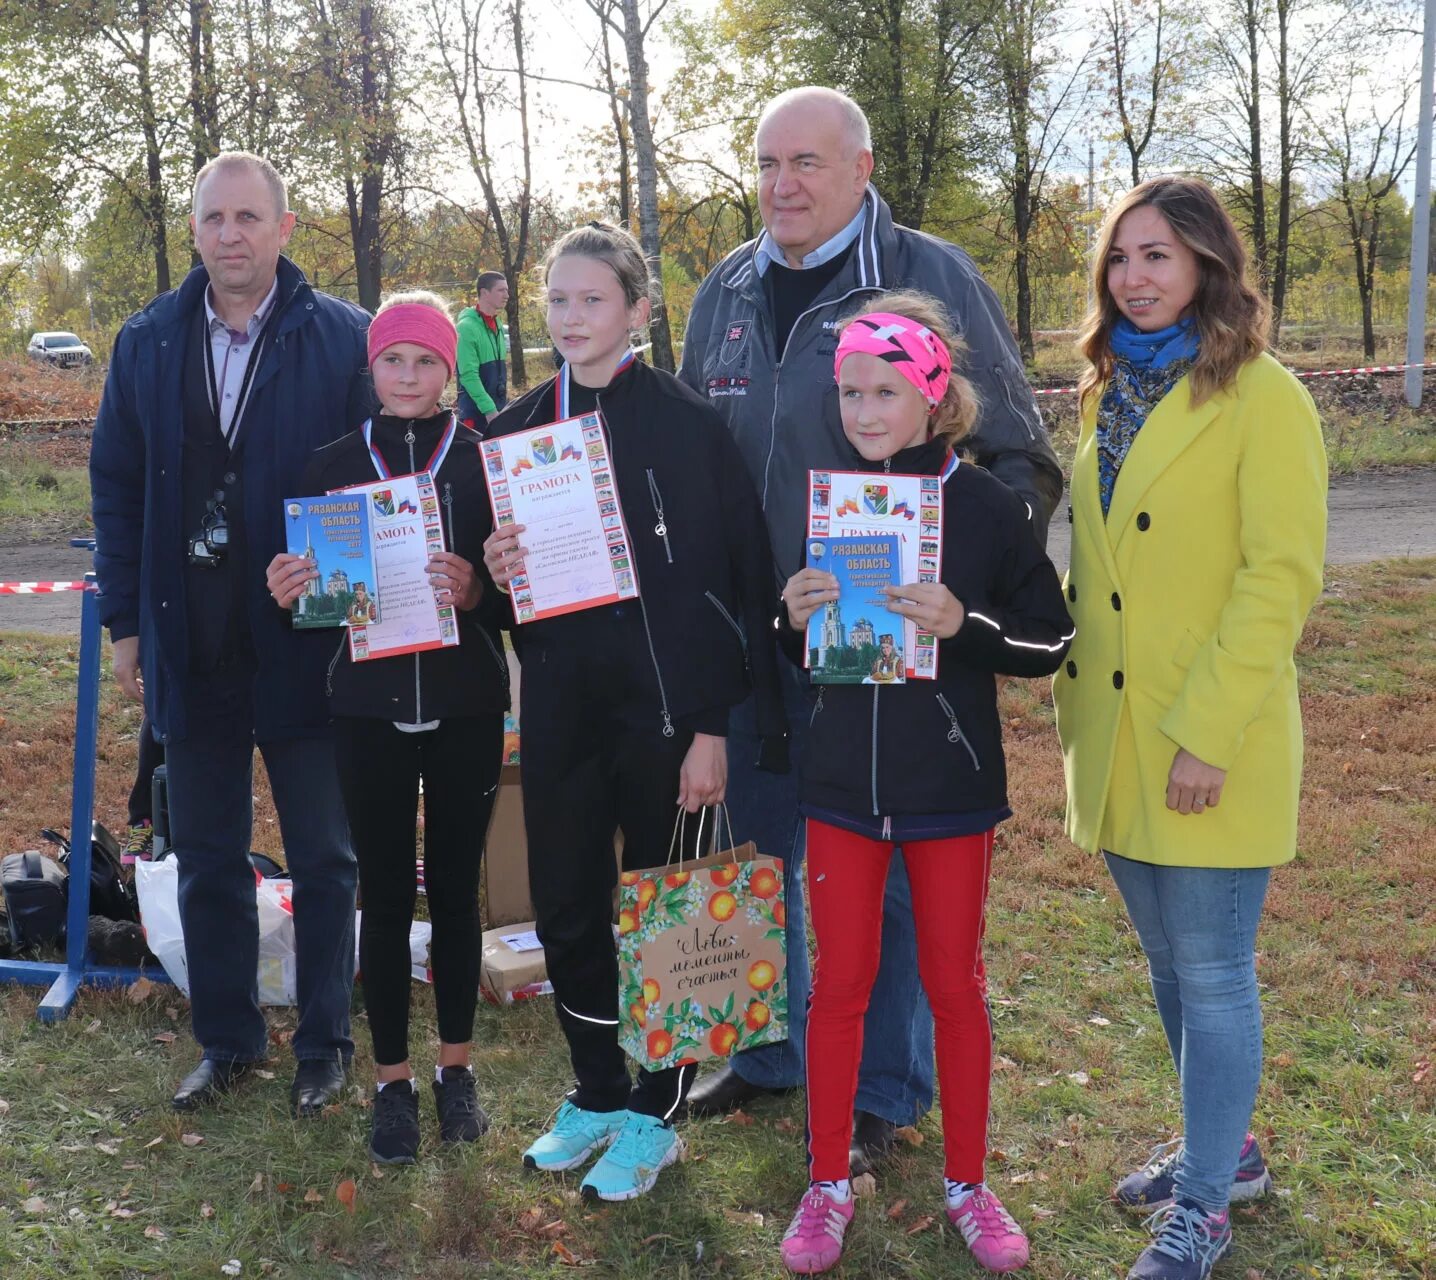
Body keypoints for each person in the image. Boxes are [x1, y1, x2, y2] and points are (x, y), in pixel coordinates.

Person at [677, 85, 1064, 1172]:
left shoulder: (929, 276)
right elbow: (699, 457)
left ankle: (883, 1091)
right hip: (762, 639)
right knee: (758, 855)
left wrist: (950, 591)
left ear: (860, 164)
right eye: (765, 162)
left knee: (888, 870)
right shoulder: (723, 289)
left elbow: (1018, 455)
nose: (781, 183)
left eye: (805, 161)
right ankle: (765, 1059)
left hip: (891, 649)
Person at [1053, 176, 1327, 1280]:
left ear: (1207, 266)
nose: (1134, 277)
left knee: (1213, 974)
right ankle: (1230, 1151)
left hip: (1207, 734)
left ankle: (1203, 1205)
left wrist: (1207, 732)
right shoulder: (1102, 388)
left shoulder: (1264, 396)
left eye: (1157, 256)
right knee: (1169, 971)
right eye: (1120, 257)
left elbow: (1279, 579)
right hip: (1115, 734)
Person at [481, 222, 786, 1202]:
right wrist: (492, 575)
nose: (572, 318)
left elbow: (736, 584)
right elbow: (493, 601)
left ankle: (658, 1114)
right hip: (563, 709)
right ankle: (598, 1090)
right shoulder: (515, 431)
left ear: (638, 310)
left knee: (663, 915)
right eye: (558, 301)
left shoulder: (688, 426)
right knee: (568, 906)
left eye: (593, 300)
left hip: (665, 717)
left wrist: (710, 727)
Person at [776, 293, 1072, 1275]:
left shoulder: (986, 504)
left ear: (932, 395)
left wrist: (964, 624)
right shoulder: (829, 500)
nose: (862, 411)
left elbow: (1052, 639)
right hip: (842, 790)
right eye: (849, 392)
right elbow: (804, 640)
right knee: (840, 986)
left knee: (953, 984)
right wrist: (793, 613)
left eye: (883, 391)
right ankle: (824, 1181)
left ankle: (967, 1182)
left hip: (948, 786)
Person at [90, 151, 374, 1115]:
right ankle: (228, 1040)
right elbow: (118, 488)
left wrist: (345, 593)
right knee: (206, 856)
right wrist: (126, 624)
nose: (232, 236)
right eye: (215, 219)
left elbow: (382, 486)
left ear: (285, 227)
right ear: (197, 228)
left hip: (308, 645)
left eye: (250, 218)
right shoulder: (148, 343)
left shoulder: (344, 341)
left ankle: (326, 1044)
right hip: (190, 639)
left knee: (327, 857)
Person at [267, 292, 509, 1165]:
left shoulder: (485, 462)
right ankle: (392, 1082)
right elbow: (312, 604)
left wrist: (478, 593)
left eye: (426, 362)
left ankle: (456, 1071)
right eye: (392, 360)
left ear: (451, 372)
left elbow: (524, 602)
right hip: (365, 708)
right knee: (381, 890)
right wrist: (293, 587)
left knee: (452, 889)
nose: (408, 376)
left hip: (468, 704)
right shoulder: (331, 466)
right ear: (369, 368)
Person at [456, 270, 510, 431]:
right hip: (477, 413)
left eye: (507, 290)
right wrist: (489, 409)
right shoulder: (466, 328)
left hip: (498, 408)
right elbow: (468, 375)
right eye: (501, 290)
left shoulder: (498, 324)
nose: (507, 295)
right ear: (484, 293)